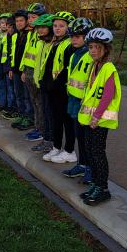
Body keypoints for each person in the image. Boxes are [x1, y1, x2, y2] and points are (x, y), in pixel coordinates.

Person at [78, 28, 122, 205]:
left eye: (97, 47)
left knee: (97, 153)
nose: (93, 50)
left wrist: (96, 117)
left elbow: (108, 95)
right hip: (90, 119)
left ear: (106, 49)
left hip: (100, 119)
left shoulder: (108, 68)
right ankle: (95, 184)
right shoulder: (93, 66)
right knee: (90, 151)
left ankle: (102, 188)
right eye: (90, 47)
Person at [61, 17, 95, 184]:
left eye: (78, 36)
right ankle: (82, 164)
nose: (73, 39)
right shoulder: (75, 54)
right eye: (72, 36)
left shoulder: (90, 57)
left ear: (87, 37)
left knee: (87, 139)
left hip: (85, 104)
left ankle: (90, 169)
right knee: (79, 137)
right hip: (74, 102)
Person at [40, 11, 77, 163]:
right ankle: (56, 147)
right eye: (55, 25)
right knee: (56, 119)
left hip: (62, 89)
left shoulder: (69, 45)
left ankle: (69, 150)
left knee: (66, 120)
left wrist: (56, 84)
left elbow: (67, 69)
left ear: (69, 28)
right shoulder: (55, 43)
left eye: (61, 26)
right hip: (51, 87)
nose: (57, 28)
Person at [19, 3, 48, 140]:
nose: (30, 20)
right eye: (29, 17)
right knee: (34, 101)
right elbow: (27, 53)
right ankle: (37, 127)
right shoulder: (31, 34)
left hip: (38, 74)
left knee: (40, 103)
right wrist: (23, 70)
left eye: (34, 17)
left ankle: (42, 130)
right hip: (28, 71)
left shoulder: (42, 36)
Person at [28, 13, 54, 149]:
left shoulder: (52, 44)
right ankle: (46, 139)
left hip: (50, 86)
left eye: (44, 27)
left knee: (49, 114)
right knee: (42, 109)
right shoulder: (41, 42)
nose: (40, 30)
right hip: (40, 82)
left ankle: (51, 142)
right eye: (38, 28)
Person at [9, 9, 34, 129]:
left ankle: (29, 118)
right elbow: (13, 54)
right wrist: (11, 68)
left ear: (26, 21)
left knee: (26, 96)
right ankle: (22, 114)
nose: (19, 23)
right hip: (15, 70)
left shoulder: (30, 35)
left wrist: (25, 70)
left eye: (21, 20)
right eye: (17, 21)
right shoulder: (16, 35)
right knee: (18, 94)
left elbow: (28, 54)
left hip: (24, 71)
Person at [0, 16, 18, 117]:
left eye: (11, 27)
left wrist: (11, 68)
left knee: (14, 90)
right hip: (6, 66)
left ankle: (14, 108)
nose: (9, 29)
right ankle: (11, 107)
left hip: (12, 67)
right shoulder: (8, 36)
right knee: (10, 88)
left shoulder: (15, 36)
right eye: (8, 26)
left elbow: (13, 54)